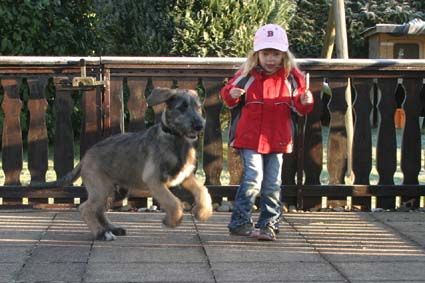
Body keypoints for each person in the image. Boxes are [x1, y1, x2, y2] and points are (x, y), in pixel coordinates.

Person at [220, 24, 314, 241]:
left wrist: (306, 101)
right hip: (249, 137)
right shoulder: (246, 74)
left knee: (273, 183)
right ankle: (240, 222)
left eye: (276, 54)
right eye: (266, 54)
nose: (271, 59)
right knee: (253, 178)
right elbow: (228, 97)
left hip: (278, 139)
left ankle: (268, 224)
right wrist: (231, 94)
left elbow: (300, 106)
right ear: (257, 54)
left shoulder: (292, 77)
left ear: (284, 55)